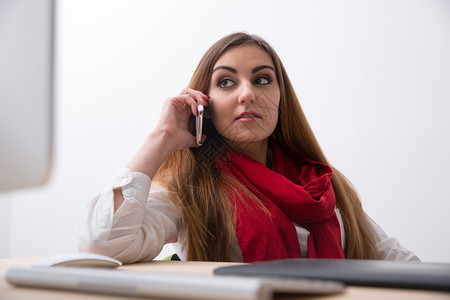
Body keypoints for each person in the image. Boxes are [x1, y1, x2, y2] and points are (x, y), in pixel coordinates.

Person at [77, 32, 419, 263]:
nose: (247, 94)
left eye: (262, 79)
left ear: (281, 98)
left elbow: (398, 261)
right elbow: (102, 244)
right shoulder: (191, 189)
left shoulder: (323, 186)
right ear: (204, 103)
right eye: (226, 82)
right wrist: (162, 137)